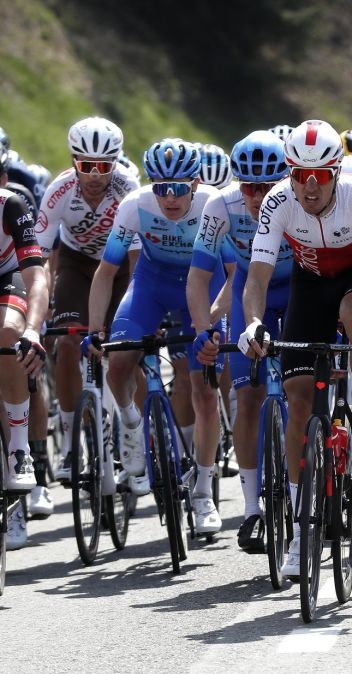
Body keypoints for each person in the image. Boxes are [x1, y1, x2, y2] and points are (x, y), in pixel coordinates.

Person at [239, 119, 352, 577]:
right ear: (289, 173)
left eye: (320, 176)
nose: (309, 186)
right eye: (299, 175)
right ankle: (299, 530)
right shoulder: (278, 202)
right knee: (298, 404)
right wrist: (253, 323)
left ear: (336, 172)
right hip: (309, 285)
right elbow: (257, 277)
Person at [84, 139, 225, 530]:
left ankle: (202, 492)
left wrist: (213, 320)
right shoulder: (136, 205)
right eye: (162, 188)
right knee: (118, 362)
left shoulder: (213, 205)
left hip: (202, 287)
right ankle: (131, 425)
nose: (170, 198)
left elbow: (233, 271)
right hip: (152, 286)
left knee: (204, 390)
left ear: (195, 184)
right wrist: (95, 330)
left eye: (179, 188)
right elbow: (106, 272)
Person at [191, 130, 293, 551]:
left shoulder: (296, 200)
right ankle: (252, 510)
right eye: (249, 186)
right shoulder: (221, 206)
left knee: (304, 389)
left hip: (299, 289)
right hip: (250, 293)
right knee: (247, 396)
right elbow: (198, 277)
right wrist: (203, 330)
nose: (256, 196)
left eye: (266, 186)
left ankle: (316, 479)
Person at [35, 117, 137, 491]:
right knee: (66, 343)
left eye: (104, 166)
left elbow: (138, 259)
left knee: (128, 347)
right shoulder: (58, 191)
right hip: (76, 264)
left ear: (116, 163)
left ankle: (134, 431)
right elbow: (38, 258)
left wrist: (136, 310)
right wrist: (40, 306)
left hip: (121, 266)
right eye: (86, 165)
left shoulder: (129, 188)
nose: (95, 175)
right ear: (73, 161)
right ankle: (69, 444)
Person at [0, 136, 50, 549]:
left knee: (7, 333)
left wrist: (32, 330)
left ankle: (19, 447)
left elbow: (36, 276)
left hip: (8, 279)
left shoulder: (11, 206)